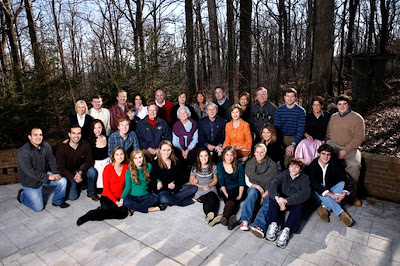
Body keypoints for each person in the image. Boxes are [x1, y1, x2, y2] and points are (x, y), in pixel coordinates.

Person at [17, 128, 69, 212]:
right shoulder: (23, 152)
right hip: (31, 182)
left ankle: (57, 201)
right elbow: (30, 171)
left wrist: (56, 173)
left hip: (43, 175)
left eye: (40, 135)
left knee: (62, 181)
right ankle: (22, 195)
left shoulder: (45, 145)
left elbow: (51, 159)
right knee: (38, 208)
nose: (38, 137)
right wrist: (49, 176)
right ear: (29, 137)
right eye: (35, 135)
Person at [326, 94, 365, 206]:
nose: (342, 107)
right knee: (324, 161)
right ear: (336, 105)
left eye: (344, 104)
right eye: (339, 104)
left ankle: (352, 195)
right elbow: (328, 133)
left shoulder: (357, 118)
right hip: (334, 145)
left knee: (355, 166)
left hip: (350, 148)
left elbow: (359, 138)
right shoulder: (333, 117)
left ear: (348, 105)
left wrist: (345, 150)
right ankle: (327, 193)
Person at [76, 146, 129, 226]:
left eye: (121, 154)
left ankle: (101, 210)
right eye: (117, 154)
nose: (120, 157)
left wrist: (122, 199)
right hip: (108, 196)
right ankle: (90, 215)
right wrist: (116, 202)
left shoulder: (126, 168)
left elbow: (127, 186)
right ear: (113, 156)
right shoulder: (108, 168)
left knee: (123, 214)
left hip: (121, 197)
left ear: (124, 155)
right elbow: (106, 189)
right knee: (107, 209)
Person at [266, 158, 311, 248]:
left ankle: (286, 230)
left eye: (296, 167)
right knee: (272, 196)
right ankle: (274, 224)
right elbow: (273, 184)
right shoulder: (284, 174)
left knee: (300, 204)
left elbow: (305, 193)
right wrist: (278, 198)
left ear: (300, 169)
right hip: (281, 199)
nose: (293, 169)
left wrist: (287, 201)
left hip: (292, 201)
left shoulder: (305, 178)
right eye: (291, 166)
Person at [308, 144, 353, 227]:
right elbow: (315, 185)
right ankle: (341, 213)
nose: (326, 157)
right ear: (318, 154)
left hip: (330, 189)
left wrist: (343, 193)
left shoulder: (334, 164)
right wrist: (332, 195)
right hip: (317, 193)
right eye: (323, 154)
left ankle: (324, 207)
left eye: (328, 154)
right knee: (321, 188)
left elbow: (346, 179)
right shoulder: (313, 166)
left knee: (342, 183)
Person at [239, 143, 279, 238]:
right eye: (257, 152)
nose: (260, 154)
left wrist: (263, 195)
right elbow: (247, 181)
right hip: (255, 186)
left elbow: (274, 183)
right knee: (252, 192)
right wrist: (259, 188)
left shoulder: (272, 164)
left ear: (265, 153)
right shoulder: (250, 163)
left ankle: (259, 225)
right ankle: (245, 220)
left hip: (268, 189)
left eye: (262, 152)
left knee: (270, 200)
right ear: (254, 153)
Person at [56, 125, 98, 201]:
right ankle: (79, 184)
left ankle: (92, 193)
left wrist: (80, 173)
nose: (76, 136)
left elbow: (89, 161)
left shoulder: (85, 145)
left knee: (92, 172)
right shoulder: (61, 149)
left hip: (80, 168)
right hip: (69, 171)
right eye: (74, 133)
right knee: (73, 197)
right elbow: (61, 168)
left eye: (78, 133)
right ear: (69, 134)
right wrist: (73, 177)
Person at [150, 141, 197, 207]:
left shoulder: (176, 161)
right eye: (164, 150)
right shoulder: (156, 163)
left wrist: (176, 184)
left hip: (176, 188)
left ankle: (173, 199)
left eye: (168, 150)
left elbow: (181, 176)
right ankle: (184, 202)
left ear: (171, 150)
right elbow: (153, 182)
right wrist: (166, 185)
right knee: (163, 199)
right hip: (164, 190)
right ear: (160, 150)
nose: (166, 152)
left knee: (194, 188)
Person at [273, 88, 306, 168]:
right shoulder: (279, 110)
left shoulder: (301, 111)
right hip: (281, 137)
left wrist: (293, 144)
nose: (289, 98)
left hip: (294, 138)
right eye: (287, 96)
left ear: (295, 98)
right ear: (284, 97)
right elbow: (277, 128)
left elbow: (300, 129)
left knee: (288, 160)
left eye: (292, 96)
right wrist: (281, 144)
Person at [189, 148, 222, 227]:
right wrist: (200, 186)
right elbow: (191, 181)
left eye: (205, 156)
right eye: (201, 156)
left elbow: (215, 180)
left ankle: (210, 216)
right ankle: (212, 216)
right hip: (200, 187)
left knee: (213, 196)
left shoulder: (213, 166)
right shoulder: (195, 167)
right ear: (198, 157)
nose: (203, 158)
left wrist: (209, 186)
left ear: (209, 156)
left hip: (210, 185)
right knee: (207, 198)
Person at [295, 96, 331, 165]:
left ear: (322, 106)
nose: (316, 107)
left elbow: (330, 129)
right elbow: (302, 128)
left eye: (318, 105)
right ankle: (300, 165)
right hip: (309, 140)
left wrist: (326, 139)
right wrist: (307, 135)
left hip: (321, 141)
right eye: (314, 105)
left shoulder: (327, 116)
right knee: (302, 144)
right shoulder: (308, 116)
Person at [218, 147, 245, 230]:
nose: (229, 157)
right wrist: (226, 193)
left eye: (231, 155)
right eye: (227, 155)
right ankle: (231, 220)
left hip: (238, 189)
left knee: (232, 198)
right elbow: (221, 182)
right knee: (232, 201)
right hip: (225, 189)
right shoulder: (220, 166)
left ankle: (225, 216)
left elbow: (241, 182)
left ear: (234, 156)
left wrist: (240, 195)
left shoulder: (239, 165)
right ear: (224, 155)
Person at [172, 106, 198, 180]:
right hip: (179, 148)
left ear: (188, 113)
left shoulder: (194, 123)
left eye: (185, 113)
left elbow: (195, 139)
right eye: (181, 113)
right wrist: (182, 150)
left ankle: (193, 178)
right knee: (178, 158)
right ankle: (181, 179)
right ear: (178, 115)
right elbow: (175, 141)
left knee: (192, 157)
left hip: (191, 148)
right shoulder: (176, 125)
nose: (183, 115)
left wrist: (188, 150)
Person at [90, 119, 111, 190]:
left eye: (99, 127)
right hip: (96, 165)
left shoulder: (108, 138)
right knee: (99, 189)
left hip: (107, 163)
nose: (97, 130)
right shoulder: (90, 141)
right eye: (95, 128)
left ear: (102, 128)